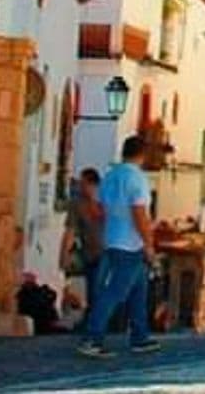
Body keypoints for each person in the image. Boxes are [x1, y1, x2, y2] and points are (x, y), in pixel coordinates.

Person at [77, 137, 161, 358]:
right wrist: (149, 243)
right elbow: (139, 213)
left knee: (139, 290)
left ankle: (140, 337)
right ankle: (92, 338)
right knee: (114, 292)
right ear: (142, 154)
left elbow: (98, 210)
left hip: (112, 240)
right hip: (131, 244)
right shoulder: (138, 179)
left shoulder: (110, 176)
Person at [59, 168, 104, 326]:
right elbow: (70, 231)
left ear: (93, 184)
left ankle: (96, 324)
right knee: (94, 291)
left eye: (83, 183)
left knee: (98, 291)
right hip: (91, 255)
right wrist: (64, 254)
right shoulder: (77, 205)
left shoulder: (106, 201)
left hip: (107, 254)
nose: (80, 187)